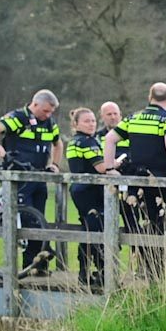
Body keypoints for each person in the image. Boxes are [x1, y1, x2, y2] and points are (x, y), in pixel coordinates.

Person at [0, 88, 62, 273]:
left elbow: (58, 144)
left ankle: (35, 265)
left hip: (39, 177)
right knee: (28, 218)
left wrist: (55, 165)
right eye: (45, 111)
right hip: (18, 177)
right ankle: (39, 256)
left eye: (51, 112)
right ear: (34, 105)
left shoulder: (50, 123)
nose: (48, 115)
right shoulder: (19, 117)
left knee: (39, 218)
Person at [111, 85, 166, 269]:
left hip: (137, 182)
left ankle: (148, 267)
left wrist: (108, 168)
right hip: (161, 182)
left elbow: (109, 139)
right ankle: (164, 269)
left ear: (149, 97)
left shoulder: (133, 117)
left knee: (146, 223)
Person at [64, 107, 107, 291]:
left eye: (93, 121)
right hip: (90, 190)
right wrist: (116, 164)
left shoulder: (74, 142)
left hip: (78, 189)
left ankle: (84, 271)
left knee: (87, 229)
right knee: (97, 229)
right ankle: (102, 271)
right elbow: (101, 167)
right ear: (76, 124)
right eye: (87, 121)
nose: (91, 124)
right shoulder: (88, 142)